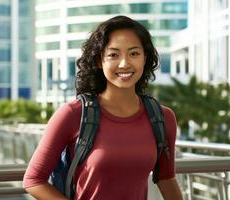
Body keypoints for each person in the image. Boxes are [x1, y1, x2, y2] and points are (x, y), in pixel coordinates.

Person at [23, 15, 183, 200]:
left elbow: (166, 178)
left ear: (145, 58)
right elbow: (33, 180)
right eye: (113, 55)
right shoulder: (73, 114)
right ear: (100, 60)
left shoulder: (163, 117)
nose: (124, 63)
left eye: (134, 53)